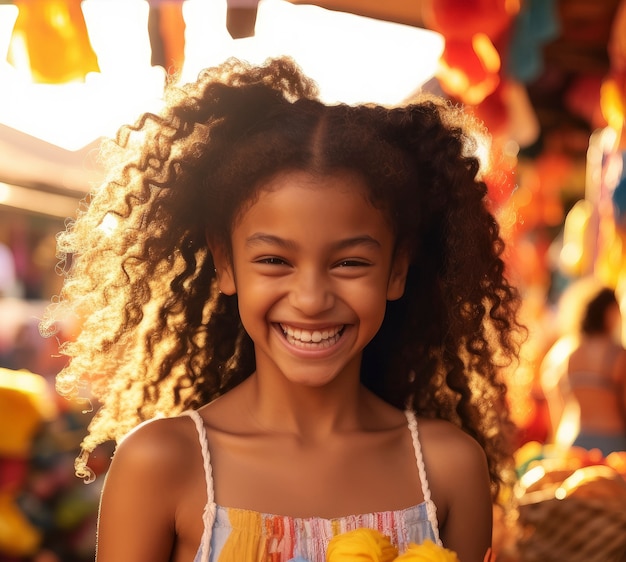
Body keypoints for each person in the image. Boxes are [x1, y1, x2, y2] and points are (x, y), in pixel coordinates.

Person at [41, 56, 522, 562]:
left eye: (350, 262)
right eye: (274, 260)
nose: (311, 299)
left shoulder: (449, 469)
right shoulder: (161, 464)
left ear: (397, 271)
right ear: (226, 264)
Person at [564, 283, 626, 455]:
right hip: (614, 445)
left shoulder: (573, 354)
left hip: (579, 441)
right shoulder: (619, 355)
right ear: (609, 312)